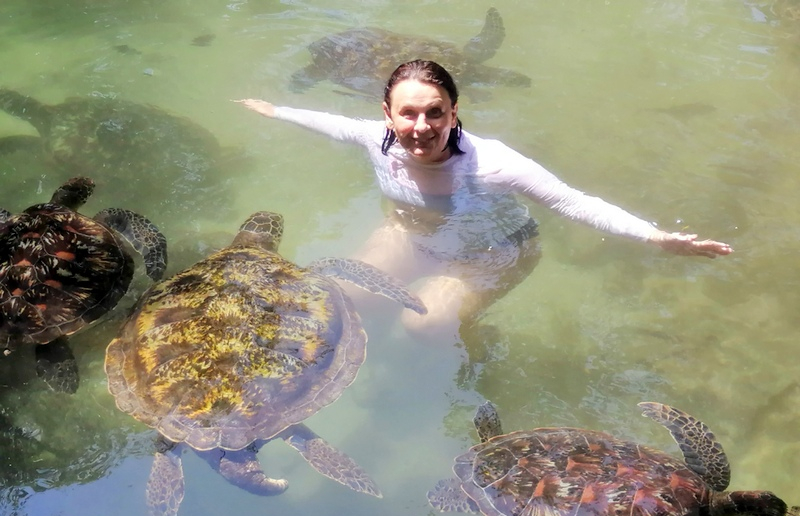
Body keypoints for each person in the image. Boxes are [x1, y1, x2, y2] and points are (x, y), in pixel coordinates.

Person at [235, 60, 731, 343]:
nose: (422, 127)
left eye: (435, 113)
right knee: (340, 297)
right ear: (387, 114)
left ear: (454, 112)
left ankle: (472, 328)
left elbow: (574, 203)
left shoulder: (491, 163)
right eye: (408, 114)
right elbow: (331, 123)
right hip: (410, 233)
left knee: (421, 326)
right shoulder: (374, 138)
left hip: (493, 253)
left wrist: (656, 236)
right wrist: (275, 110)